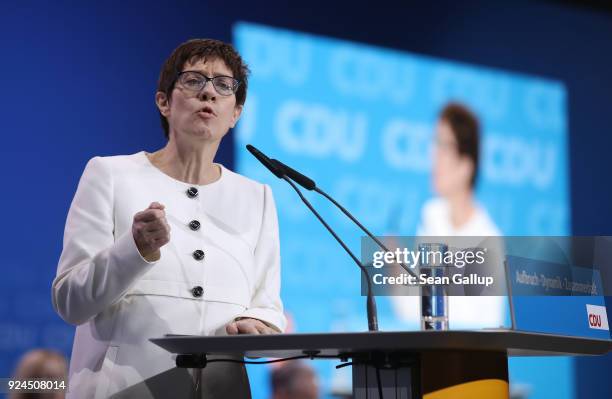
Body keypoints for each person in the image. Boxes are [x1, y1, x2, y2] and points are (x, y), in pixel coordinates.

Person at [52, 39, 286, 398]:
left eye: (224, 86)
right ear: (163, 101)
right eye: (194, 80)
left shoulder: (258, 197)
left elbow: (267, 305)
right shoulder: (111, 174)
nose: (209, 92)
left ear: (235, 113)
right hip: (124, 390)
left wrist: (260, 323)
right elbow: (70, 301)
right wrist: (135, 248)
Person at [392, 102, 506, 329]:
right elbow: (414, 312)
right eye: (434, 143)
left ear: (466, 164)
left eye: (444, 146)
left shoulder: (489, 239)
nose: (434, 156)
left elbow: (490, 328)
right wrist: (396, 270)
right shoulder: (431, 216)